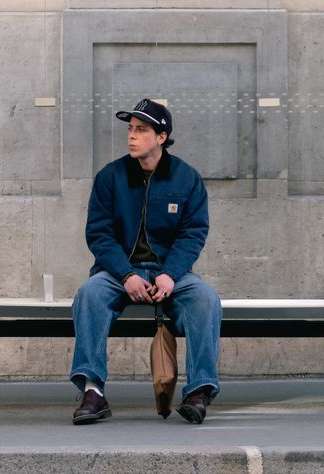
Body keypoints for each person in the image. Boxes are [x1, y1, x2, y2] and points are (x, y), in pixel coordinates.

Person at [70, 98, 222, 425]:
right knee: (90, 294)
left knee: (205, 299)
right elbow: (99, 234)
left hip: (171, 273)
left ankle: (199, 391)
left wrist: (170, 275)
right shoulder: (110, 177)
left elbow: (193, 233)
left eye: (141, 130)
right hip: (119, 272)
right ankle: (93, 391)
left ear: (161, 137)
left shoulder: (186, 179)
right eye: (130, 129)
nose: (131, 137)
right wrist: (126, 275)